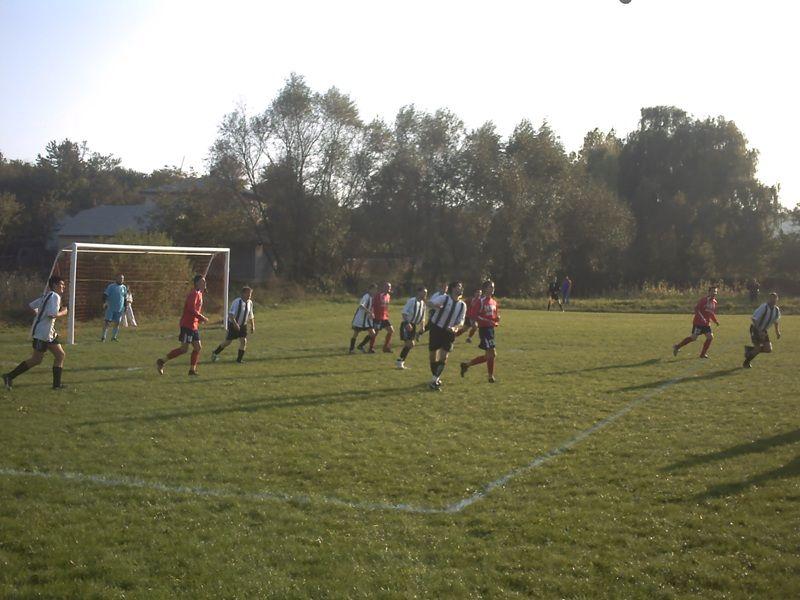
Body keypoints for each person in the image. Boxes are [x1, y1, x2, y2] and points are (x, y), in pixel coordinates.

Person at [3, 275, 69, 390]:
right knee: (36, 360)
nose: (63, 286)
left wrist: (39, 315)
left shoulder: (47, 295)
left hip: (48, 333)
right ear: (54, 285)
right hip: (43, 334)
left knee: (60, 355)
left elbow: (31, 306)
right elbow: (52, 314)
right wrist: (64, 312)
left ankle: (57, 385)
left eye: (63, 284)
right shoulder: (55, 296)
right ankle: (9, 376)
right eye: (61, 284)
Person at [156, 275, 208, 376]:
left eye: (205, 282)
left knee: (198, 347)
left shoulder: (200, 293)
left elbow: (196, 310)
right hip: (187, 325)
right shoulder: (193, 294)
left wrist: (198, 320)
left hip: (194, 326)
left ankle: (192, 370)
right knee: (184, 349)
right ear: (197, 283)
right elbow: (191, 309)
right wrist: (201, 317)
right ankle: (161, 361)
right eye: (202, 282)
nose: (205, 284)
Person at [426, 281, 467, 391]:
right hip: (436, 329)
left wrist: (455, 328)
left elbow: (461, 321)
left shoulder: (462, 305)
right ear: (453, 288)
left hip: (449, 332)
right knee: (432, 355)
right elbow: (429, 303)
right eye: (459, 287)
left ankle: (434, 380)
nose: (461, 289)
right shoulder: (444, 298)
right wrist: (435, 305)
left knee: (444, 356)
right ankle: (435, 377)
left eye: (461, 287)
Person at [461, 280, 500, 383]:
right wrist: (480, 322)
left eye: (493, 287)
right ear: (485, 289)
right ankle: (490, 377)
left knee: (489, 355)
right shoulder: (481, 301)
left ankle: (466, 365)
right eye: (490, 287)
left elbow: (495, 316)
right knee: (492, 353)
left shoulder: (494, 302)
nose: (492, 289)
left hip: (491, 329)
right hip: (484, 330)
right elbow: (473, 314)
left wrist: (496, 319)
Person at [672, 286, 720, 358]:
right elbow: (697, 309)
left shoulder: (714, 302)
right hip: (698, 323)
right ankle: (677, 346)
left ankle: (702, 354)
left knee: (710, 337)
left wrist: (715, 321)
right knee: (693, 338)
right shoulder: (704, 300)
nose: (714, 293)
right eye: (713, 291)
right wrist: (702, 318)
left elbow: (711, 313)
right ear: (709, 292)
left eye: (715, 291)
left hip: (706, 324)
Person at [211, 286, 255, 363]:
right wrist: (235, 324)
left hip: (243, 325)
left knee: (243, 341)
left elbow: (251, 315)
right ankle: (215, 352)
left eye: (250, 294)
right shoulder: (237, 302)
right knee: (228, 342)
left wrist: (252, 325)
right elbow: (231, 315)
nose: (249, 295)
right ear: (243, 294)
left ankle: (239, 360)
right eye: (248, 293)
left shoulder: (250, 303)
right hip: (233, 324)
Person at [743, 292, 781, 368]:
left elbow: (776, 321)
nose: (773, 300)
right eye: (771, 298)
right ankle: (746, 363)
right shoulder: (764, 307)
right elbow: (754, 319)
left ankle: (750, 350)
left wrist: (777, 332)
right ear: (769, 299)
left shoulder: (776, 310)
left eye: (775, 299)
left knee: (768, 349)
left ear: (777, 300)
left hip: (763, 330)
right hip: (755, 328)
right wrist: (759, 331)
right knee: (757, 348)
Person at [396, 286, 427, 369]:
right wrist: (407, 323)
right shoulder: (412, 301)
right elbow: (404, 312)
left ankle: (400, 361)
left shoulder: (423, 304)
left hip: (413, 326)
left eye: (426, 293)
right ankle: (400, 362)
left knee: (410, 345)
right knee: (409, 344)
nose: (425, 294)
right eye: (423, 292)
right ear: (419, 292)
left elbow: (423, 317)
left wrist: (422, 326)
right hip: (407, 325)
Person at [100, 274, 128, 341]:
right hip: (110, 308)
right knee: (107, 322)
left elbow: (125, 298)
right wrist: (104, 303)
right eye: (120, 278)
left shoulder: (124, 287)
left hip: (119, 309)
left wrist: (125, 306)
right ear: (116, 279)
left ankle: (114, 337)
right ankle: (103, 337)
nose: (121, 280)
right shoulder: (111, 286)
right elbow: (105, 295)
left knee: (117, 323)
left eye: (122, 279)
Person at [351, 283, 377, 353]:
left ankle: (360, 346)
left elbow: (370, 307)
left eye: (375, 290)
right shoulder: (366, 296)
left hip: (367, 319)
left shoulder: (372, 297)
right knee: (356, 333)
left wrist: (372, 313)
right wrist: (369, 312)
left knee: (373, 333)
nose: (374, 291)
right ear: (369, 290)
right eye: (373, 289)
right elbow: (361, 305)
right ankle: (351, 349)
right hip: (361, 318)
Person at [372, 281, 394, 353]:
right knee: (375, 333)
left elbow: (385, 307)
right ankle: (370, 348)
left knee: (391, 330)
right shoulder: (378, 295)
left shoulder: (388, 296)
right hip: (377, 317)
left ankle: (385, 348)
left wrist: (386, 315)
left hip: (384, 317)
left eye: (389, 287)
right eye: (387, 287)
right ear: (383, 287)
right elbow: (373, 305)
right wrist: (372, 314)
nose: (389, 289)